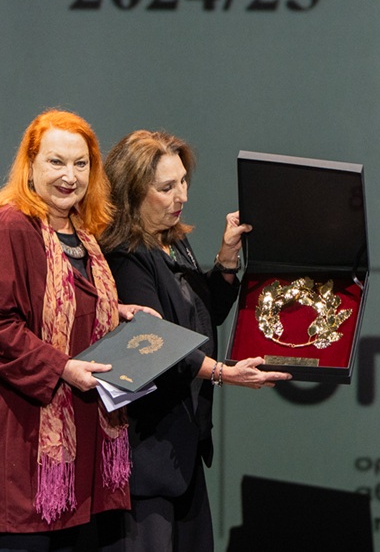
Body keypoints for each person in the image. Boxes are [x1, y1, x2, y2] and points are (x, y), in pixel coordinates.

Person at [100, 129, 292, 552]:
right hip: (145, 457)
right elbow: (154, 344)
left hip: (183, 449)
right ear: (133, 192)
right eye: (167, 187)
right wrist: (222, 373)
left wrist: (227, 259)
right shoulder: (124, 252)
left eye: (183, 181)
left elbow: (203, 319)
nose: (181, 196)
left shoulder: (172, 240)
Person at [0, 110, 157, 552]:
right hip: (29, 441)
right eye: (56, 162)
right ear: (30, 165)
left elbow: (61, 303)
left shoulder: (83, 231)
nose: (70, 176)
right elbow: (4, 324)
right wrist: (63, 367)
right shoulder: (13, 225)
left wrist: (114, 310)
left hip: (83, 447)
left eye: (81, 163)